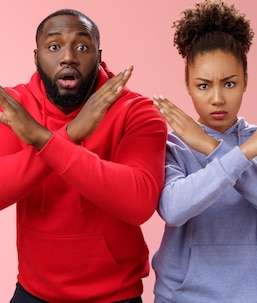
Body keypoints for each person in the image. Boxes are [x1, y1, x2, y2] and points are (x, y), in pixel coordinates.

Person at [0, 9, 168, 303]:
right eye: (54, 47)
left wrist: (42, 139)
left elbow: (139, 202)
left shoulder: (136, 111)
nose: (68, 57)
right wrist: (70, 135)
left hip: (116, 296)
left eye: (82, 46)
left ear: (98, 55)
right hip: (33, 293)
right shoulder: (16, 108)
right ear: (36, 56)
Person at [150, 0, 257, 302]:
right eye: (204, 86)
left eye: (229, 83)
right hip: (180, 296)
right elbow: (173, 209)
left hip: (254, 296)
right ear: (188, 86)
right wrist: (240, 154)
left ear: (246, 81)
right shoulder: (175, 145)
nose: (217, 98)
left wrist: (214, 148)